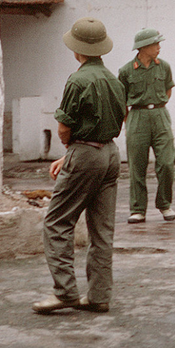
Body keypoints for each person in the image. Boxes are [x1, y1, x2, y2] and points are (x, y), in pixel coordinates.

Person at [33, 17, 127, 315]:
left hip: (86, 153)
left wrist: (72, 151)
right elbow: (120, 117)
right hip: (110, 153)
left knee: (57, 222)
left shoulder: (78, 80)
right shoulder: (114, 80)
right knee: (102, 230)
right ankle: (99, 296)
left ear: (77, 49)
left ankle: (65, 292)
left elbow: (64, 127)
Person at [118, 28, 175, 224]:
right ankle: (138, 209)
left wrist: (158, 104)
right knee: (137, 166)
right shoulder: (126, 71)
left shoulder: (164, 67)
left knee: (167, 163)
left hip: (160, 115)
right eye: (155, 44)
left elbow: (168, 89)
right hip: (137, 116)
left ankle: (164, 204)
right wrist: (130, 121)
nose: (159, 47)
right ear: (143, 47)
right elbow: (121, 99)